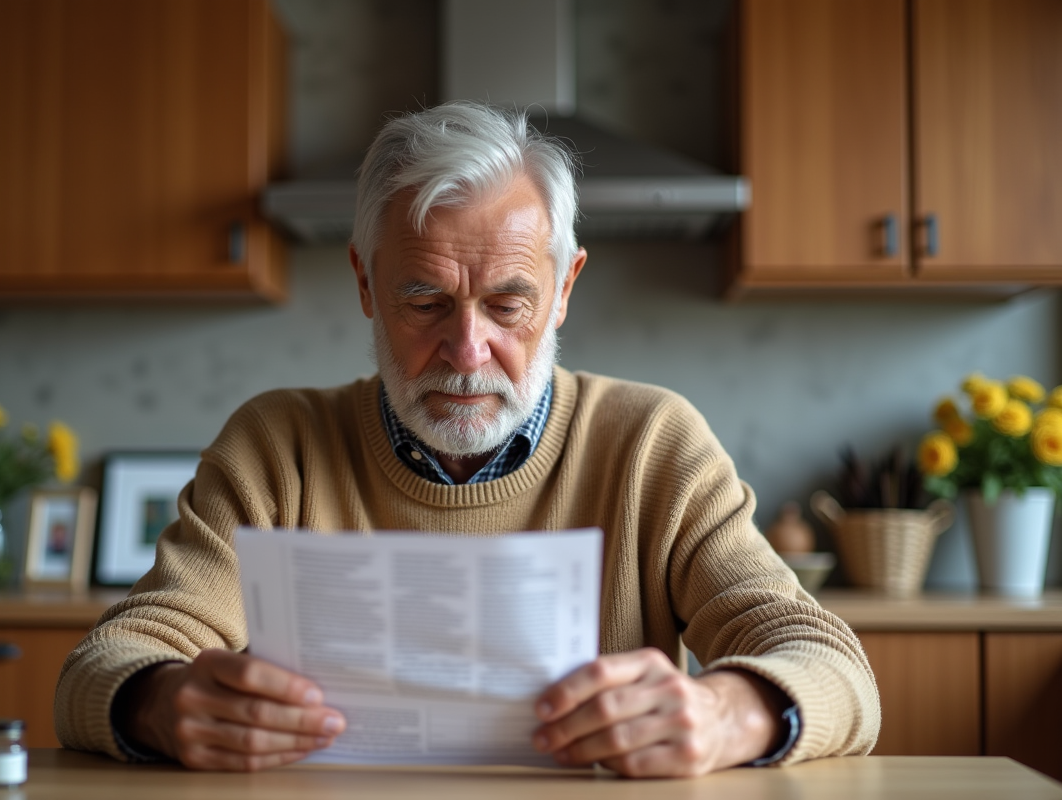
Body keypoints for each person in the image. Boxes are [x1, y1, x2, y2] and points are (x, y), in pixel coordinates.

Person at [55, 102, 879, 778]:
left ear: (564, 291)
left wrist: (725, 713)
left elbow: (833, 667)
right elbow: (107, 660)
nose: (466, 351)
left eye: (508, 304)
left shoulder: (651, 444)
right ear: (365, 283)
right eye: (424, 301)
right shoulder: (278, 446)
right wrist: (159, 704)